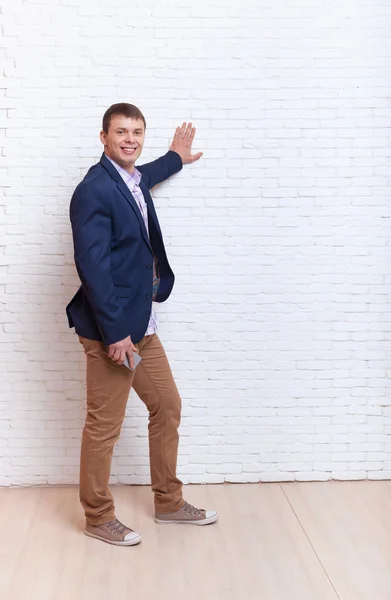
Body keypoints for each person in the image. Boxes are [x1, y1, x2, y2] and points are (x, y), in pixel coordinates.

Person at [66, 103, 218, 547]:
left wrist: (175, 157)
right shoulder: (93, 190)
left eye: (136, 132)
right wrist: (115, 334)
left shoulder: (129, 179)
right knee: (104, 426)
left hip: (142, 325)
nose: (129, 139)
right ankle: (97, 515)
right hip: (113, 331)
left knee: (167, 406)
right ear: (103, 138)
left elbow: (145, 174)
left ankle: (168, 502)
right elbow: (91, 267)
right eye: (121, 132)